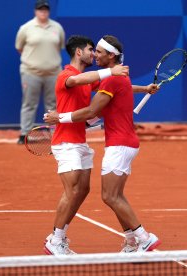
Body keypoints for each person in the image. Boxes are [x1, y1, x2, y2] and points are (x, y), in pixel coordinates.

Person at [44, 35, 161, 254]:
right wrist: (111, 72)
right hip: (66, 142)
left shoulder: (98, 78)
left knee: (85, 191)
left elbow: (115, 87)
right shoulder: (67, 76)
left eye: (97, 51)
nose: (94, 54)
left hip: (85, 142)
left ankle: (136, 239)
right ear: (79, 52)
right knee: (73, 192)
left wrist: (143, 89)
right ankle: (56, 239)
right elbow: (85, 85)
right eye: (91, 50)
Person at [15, 0, 65, 144]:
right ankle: (24, 134)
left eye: (45, 9)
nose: (43, 12)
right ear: (35, 11)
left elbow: (59, 47)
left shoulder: (57, 28)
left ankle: (56, 133)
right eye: (40, 9)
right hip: (31, 72)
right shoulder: (26, 28)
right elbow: (19, 48)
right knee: (29, 103)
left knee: (53, 104)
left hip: (54, 73)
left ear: (48, 11)